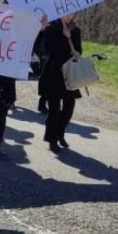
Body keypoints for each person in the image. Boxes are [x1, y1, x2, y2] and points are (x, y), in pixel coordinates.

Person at [38, 14, 82, 153]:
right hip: (54, 72)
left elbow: (79, 50)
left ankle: (60, 133)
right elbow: (49, 49)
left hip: (69, 74)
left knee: (69, 108)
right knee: (54, 109)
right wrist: (62, 36)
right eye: (67, 12)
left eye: (73, 12)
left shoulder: (75, 29)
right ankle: (52, 140)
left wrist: (74, 47)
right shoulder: (51, 27)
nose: (70, 15)